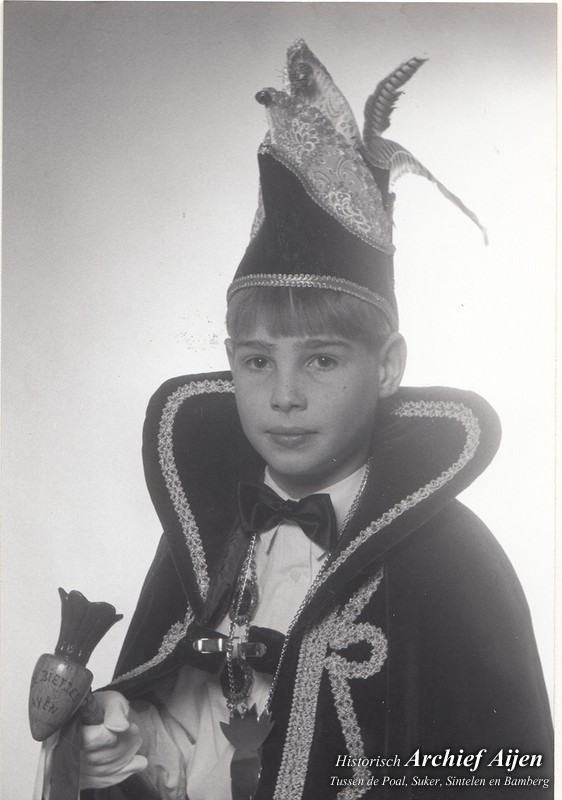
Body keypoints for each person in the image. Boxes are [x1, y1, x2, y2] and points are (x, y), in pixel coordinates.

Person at [41, 40, 553, 800]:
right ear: (230, 363)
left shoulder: (453, 558)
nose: (284, 395)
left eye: (321, 360)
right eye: (258, 361)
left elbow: (498, 769)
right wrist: (130, 739)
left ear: (387, 366)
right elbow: (192, 736)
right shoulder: (207, 534)